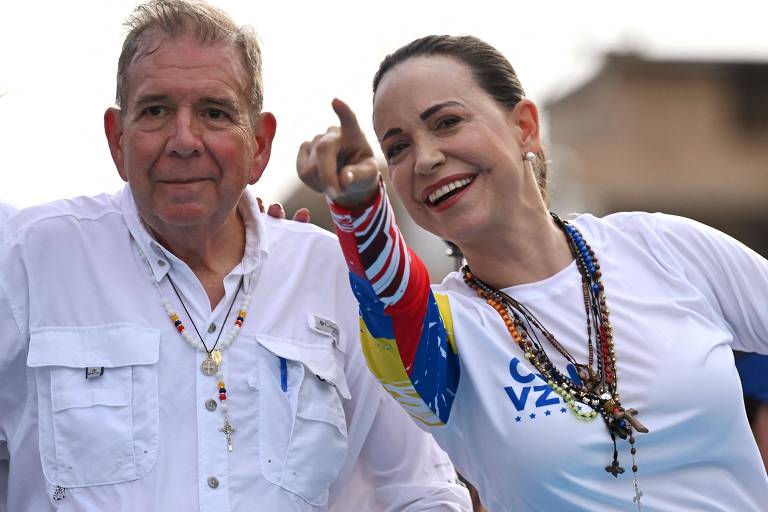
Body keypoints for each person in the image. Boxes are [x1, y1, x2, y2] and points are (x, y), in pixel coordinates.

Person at [0, 4, 472, 511]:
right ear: (117, 139)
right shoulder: (28, 258)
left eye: (215, 113)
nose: (184, 140)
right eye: (156, 110)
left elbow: (420, 489)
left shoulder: (333, 277)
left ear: (261, 145)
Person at [296, 35, 768, 511]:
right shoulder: (440, 338)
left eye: (447, 122)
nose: (425, 158)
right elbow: (390, 295)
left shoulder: (663, 247)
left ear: (525, 126)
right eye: (397, 148)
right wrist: (359, 205)